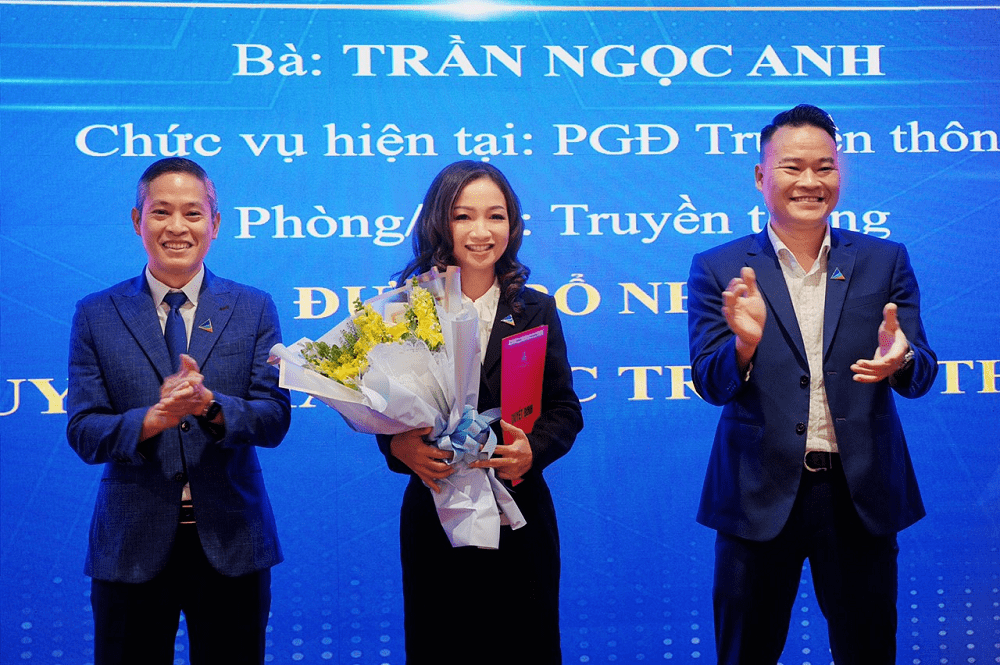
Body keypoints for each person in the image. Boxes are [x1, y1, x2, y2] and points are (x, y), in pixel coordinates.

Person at [687, 104, 937, 664]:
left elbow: (921, 371)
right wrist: (743, 345)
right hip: (757, 495)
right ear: (761, 176)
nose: (810, 181)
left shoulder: (884, 260)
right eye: (792, 167)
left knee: (869, 650)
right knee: (745, 652)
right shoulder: (719, 267)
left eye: (824, 167)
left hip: (859, 494)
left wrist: (900, 360)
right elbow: (710, 382)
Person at [67, 157, 291, 665]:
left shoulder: (253, 307)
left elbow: (274, 418)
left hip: (233, 542)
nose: (177, 227)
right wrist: (157, 418)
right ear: (137, 220)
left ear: (215, 223)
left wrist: (209, 406)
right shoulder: (97, 313)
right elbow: (84, 431)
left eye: (192, 213)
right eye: (161, 211)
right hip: (131, 545)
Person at [376, 160, 584, 664]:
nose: (481, 231)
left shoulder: (535, 309)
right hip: (435, 512)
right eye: (463, 216)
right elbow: (382, 410)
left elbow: (565, 408)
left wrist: (532, 450)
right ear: (439, 222)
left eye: (496, 216)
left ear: (512, 224)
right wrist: (399, 448)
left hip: (519, 513)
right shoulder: (404, 310)